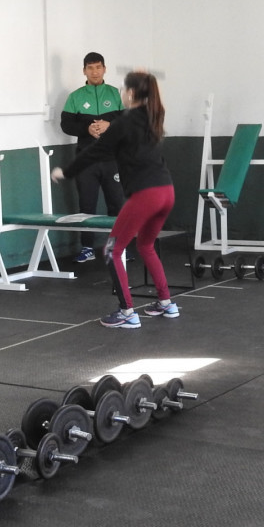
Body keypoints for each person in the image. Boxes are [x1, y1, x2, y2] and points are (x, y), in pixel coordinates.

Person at [52, 70, 177, 328]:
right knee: (145, 245)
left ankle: (127, 312)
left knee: (112, 250)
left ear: (130, 93)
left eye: (124, 89)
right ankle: (166, 303)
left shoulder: (125, 122)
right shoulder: (153, 116)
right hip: (166, 192)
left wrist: (66, 172)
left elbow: (94, 152)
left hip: (146, 195)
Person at [59, 52, 124, 263]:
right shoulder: (75, 97)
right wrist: (87, 129)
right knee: (87, 205)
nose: (95, 72)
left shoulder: (116, 94)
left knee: (116, 203)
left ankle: (118, 248)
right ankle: (87, 248)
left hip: (113, 159)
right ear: (84, 71)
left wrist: (109, 125)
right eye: (90, 68)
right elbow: (66, 124)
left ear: (105, 69)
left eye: (98, 67)